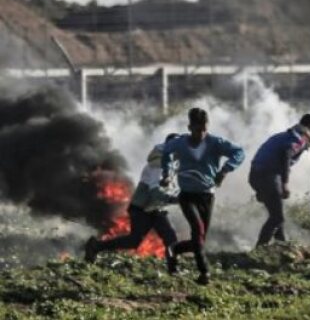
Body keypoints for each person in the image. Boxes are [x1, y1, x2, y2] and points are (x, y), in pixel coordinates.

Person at [160, 108, 245, 285]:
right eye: (198, 130)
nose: (201, 134)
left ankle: (174, 249)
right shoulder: (180, 143)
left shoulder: (215, 142)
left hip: (207, 195)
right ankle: (204, 272)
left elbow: (239, 152)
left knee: (200, 239)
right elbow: (166, 152)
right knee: (197, 230)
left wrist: (225, 170)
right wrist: (166, 174)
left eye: (204, 129)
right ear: (189, 127)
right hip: (187, 195)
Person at [84, 134, 181, 262]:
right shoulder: (157, 165)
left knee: (169, 238)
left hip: (155, 208)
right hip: (142, 209)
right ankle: (96, 246)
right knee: (136, 241)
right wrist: (176, 199)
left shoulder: (171, 164)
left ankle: (173, 267)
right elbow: (155, 193)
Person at [249, 113, 310, 247]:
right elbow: (286, 155)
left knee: (276, 213)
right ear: (309, 127)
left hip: (256, 175)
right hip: (268, 175)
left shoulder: (287, 135)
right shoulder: (300, 138)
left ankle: (281, 243)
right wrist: (285, 183)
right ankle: (260, 248)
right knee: (277, 217)